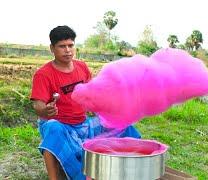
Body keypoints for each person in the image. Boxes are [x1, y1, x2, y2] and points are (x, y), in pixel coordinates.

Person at [30, 25, 141, 180]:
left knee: (120, 123)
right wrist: (44, 110)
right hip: (62, 128)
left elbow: (93, 95)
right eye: (62, 46)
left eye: (70, 45)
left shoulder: (82, 67)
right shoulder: (43, 74)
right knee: (52, 127)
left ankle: (130, 165)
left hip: (84, 124)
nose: (68, 50)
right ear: (52, 48)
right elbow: (37, 104)